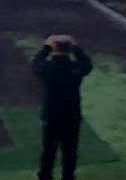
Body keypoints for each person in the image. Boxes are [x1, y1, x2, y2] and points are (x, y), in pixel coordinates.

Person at [33, 34, 93, 180]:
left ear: (54, 48)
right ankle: (68, 176)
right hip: (71, 116)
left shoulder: (47, 68)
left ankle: (45, 176)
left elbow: (36, 63)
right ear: (69, 49)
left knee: (48, 151)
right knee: (70, 151)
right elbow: (87, 63)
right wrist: (76, 48)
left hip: (51, 116)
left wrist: (46, 46)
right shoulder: (76, 68)